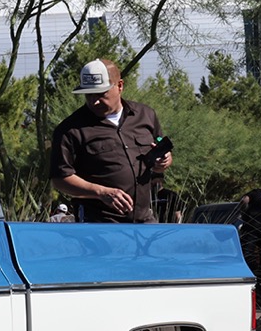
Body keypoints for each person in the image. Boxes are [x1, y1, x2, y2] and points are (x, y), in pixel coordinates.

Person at [51, 59, 172, 223]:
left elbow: (160, 156)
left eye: (101, 94)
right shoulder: (70, 130)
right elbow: (60, 179)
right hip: (98, 225)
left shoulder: (146, 115)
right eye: (89, 94)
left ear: (120, 86)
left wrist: (163, 161)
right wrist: (101, 192)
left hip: (144, 220)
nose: (94, 101)